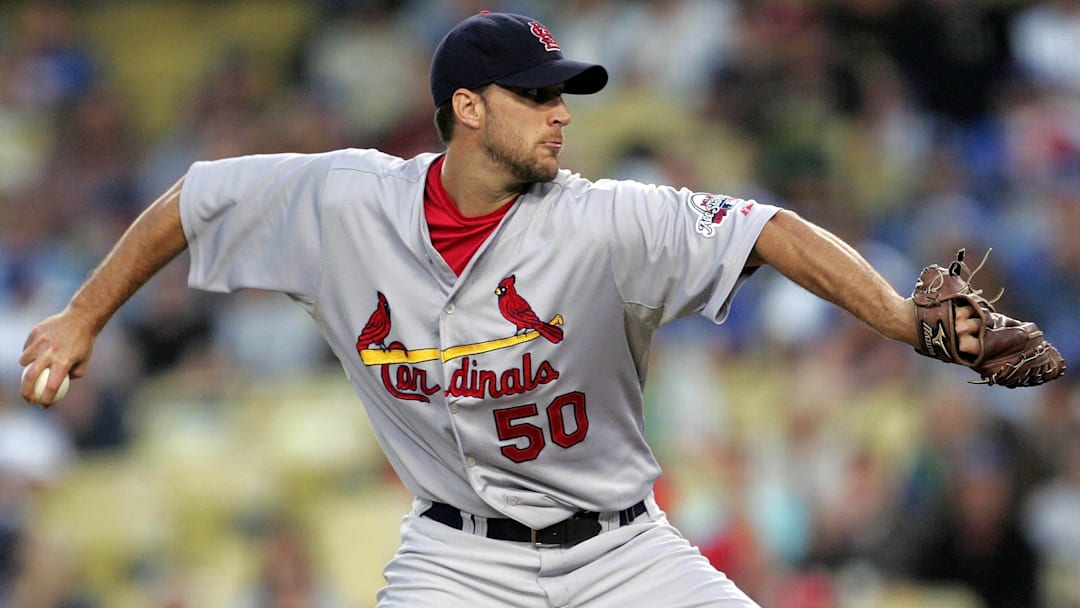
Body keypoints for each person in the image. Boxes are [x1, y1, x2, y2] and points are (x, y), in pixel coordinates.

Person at [17, 11, 1051, 607]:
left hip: (621, 548)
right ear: (468, 110)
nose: (561, 110)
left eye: (564, 89)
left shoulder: (603, 219)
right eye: (535, 93)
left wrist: (905, 322)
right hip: (456, 556)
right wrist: (83, 313)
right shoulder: (344, 201)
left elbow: (770, 228)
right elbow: (193, 199)